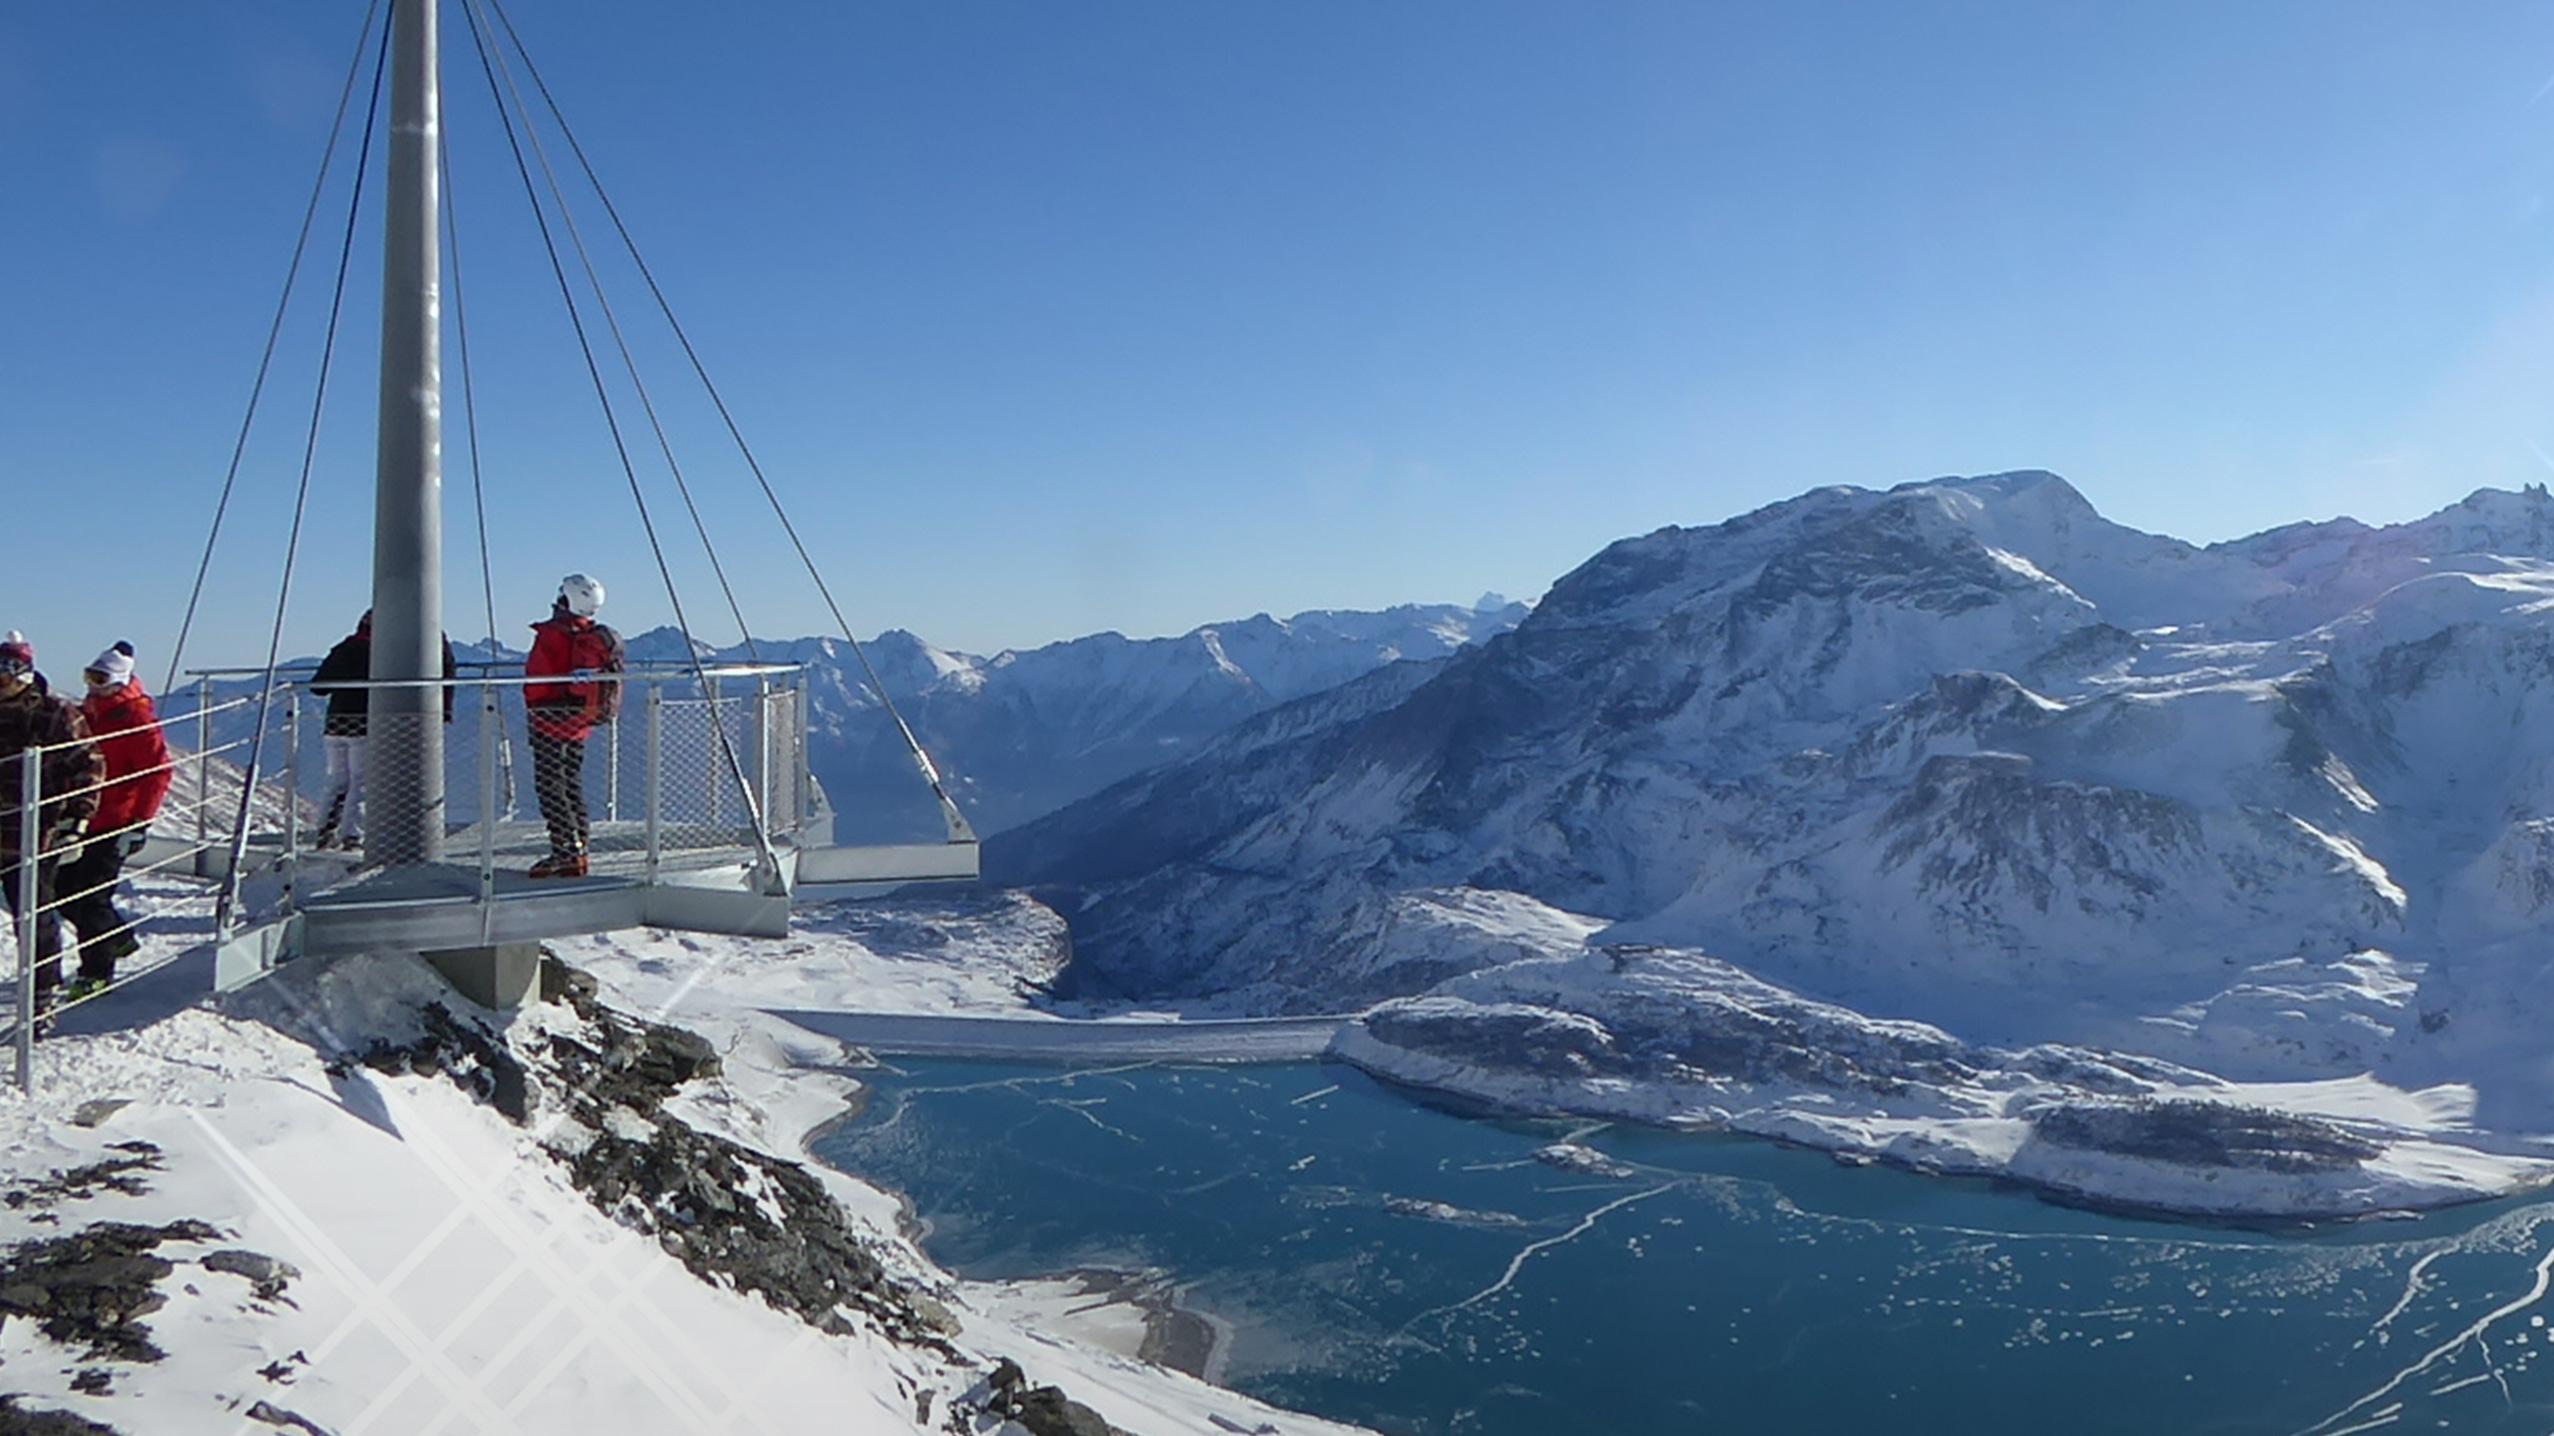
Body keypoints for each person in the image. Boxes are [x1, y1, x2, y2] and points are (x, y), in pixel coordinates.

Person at [0, 632, 102, 1019]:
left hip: (31, 836)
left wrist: (77, 817)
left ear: (24, 673)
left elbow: (88, 764)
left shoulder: (55, 715)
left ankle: (41, 998)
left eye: (7, 672)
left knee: (34, 918)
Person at [58, 642, 170, 995]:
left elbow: (158, 772)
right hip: (85, 817)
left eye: (100, 678)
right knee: (63, 889)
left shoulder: (135, 718)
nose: (92, 685)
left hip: (115, 819)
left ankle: (97, 971)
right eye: (89, 677)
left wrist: (140, 822)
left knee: (91, 897)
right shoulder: (90, 711)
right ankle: (117, 936)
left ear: (119, 680)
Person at [306, 610, 458, 853]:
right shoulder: (392, 652)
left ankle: (326, 832)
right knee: (362, 781)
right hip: (371, 722)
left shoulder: (347, 647)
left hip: (337, 722)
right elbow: (447, 668)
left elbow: (319, 687)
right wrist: (445, 709)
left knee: (338, 779)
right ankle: (351, 835)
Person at [523, 574, 622, 879]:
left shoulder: (553, 635)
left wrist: (533, 703)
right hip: (579, 721)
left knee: (551, 786)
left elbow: (538, 682)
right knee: (571, 784)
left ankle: (565, 852)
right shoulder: (590, 637)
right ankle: (579, 847)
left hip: (550, 719)